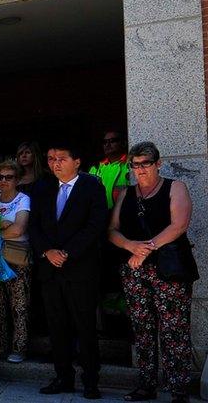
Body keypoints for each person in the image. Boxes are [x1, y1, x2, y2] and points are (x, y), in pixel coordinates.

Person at [109, 142, 199, 403]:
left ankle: (178, 390)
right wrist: (130, 246)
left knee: (174, 330)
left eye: (146, 163)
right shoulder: (127, 194)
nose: (140, 170)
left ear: (158, 163)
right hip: (135, 272)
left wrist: (145, 250)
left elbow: (179, 224)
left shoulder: (175, 187)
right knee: (142, 329)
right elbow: (112, 229)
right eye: (135, 165)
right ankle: (146, 385)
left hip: (169, 271)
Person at [29, 143, 108, 399]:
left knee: (84, 327)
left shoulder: (92, 186)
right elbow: (34, 227)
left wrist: (67, 253)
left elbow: (95, 225)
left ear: (77, 161)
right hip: (50, 271)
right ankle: (63, 377)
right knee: (57, 327)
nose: (55, 164)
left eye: (62, 158)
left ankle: (90, 381)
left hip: (80, 270)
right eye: (51, 159)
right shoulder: (42, 187)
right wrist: (47, 252)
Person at [0, 158, 32, 364]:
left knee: (19, 305)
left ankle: (20, 348)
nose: (4, 181)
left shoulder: (23, 199)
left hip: (17, 258)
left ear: (17, 179)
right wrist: (5, 225)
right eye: (0, 177)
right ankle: (1, 346)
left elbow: (19, 229)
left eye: (9, 177)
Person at [90, 130, 130, 209]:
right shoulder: (95, 168)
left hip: (124, 215)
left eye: (112, 141)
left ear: (123, 143)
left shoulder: (131, 165)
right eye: (104, 142)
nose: (107, 145)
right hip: (100, 216)